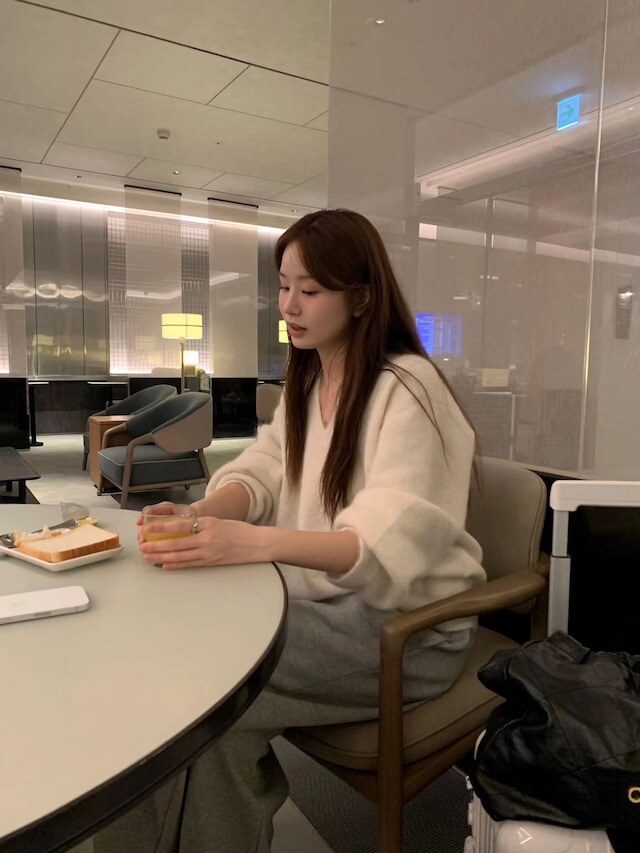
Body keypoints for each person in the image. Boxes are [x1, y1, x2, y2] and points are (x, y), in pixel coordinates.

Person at [95, 209, 485, 852]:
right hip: (323, 605)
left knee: (197, 681)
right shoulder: (311, 381)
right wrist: (204, 513)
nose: (289, 306)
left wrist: (253, 542)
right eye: (283, 286)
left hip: (405, 630)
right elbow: (265, 469)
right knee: (191, 697)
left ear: (361, 298)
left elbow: (389, 540)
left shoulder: (408, 387)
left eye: (311, 289)